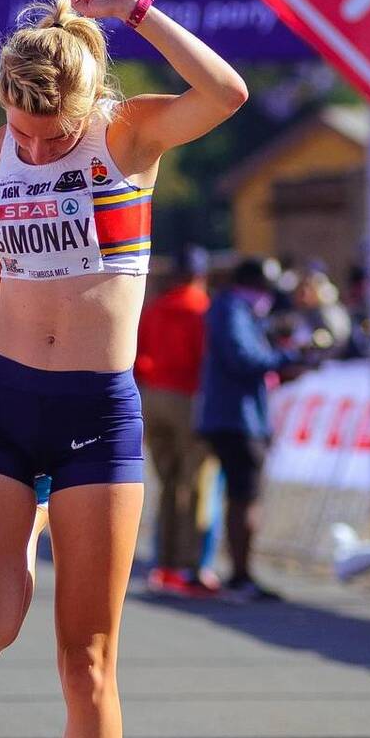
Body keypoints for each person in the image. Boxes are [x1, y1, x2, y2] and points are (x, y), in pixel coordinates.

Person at [0, 0, 247, 738]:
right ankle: (30, 517)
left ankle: (43, 504)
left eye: (54, 137)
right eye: (21, 132)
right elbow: (5, 281)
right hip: (3, 402)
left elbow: (225, 94)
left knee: (87, 666)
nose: (36, 153)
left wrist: (138, 11)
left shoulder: (129, 137)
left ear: (87, 108)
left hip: (96, 415)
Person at [197, 258, 296, 602]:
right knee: (245, 497)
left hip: (237, 416)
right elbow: (244, 359)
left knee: (242, 496)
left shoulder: (234, 310)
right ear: (253, 285)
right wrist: (289, 357)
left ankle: (241, 574)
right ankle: (240, 576)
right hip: (236, 418)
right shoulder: (232, 310)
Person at [134, 245, 215, 596]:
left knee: (166, 484)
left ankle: (164, 565)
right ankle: (189, 567)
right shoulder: (202, 308)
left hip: (153, 396)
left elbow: (137, 351)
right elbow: (206, 357)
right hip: (189, 397)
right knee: (195, 485)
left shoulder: (155, 308)